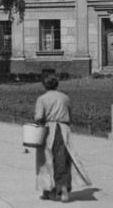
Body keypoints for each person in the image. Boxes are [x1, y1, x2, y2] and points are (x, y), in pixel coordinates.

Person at [34, 73, 91, 202]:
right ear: (56, 84)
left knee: (45, 160)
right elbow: (70, 116)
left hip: (48, 131)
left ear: (44, 85)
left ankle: (46, 190)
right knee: (63, 160)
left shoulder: (42, 99)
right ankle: (63, 189)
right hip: (64, 130)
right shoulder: (65, 97)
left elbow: (38, 117)